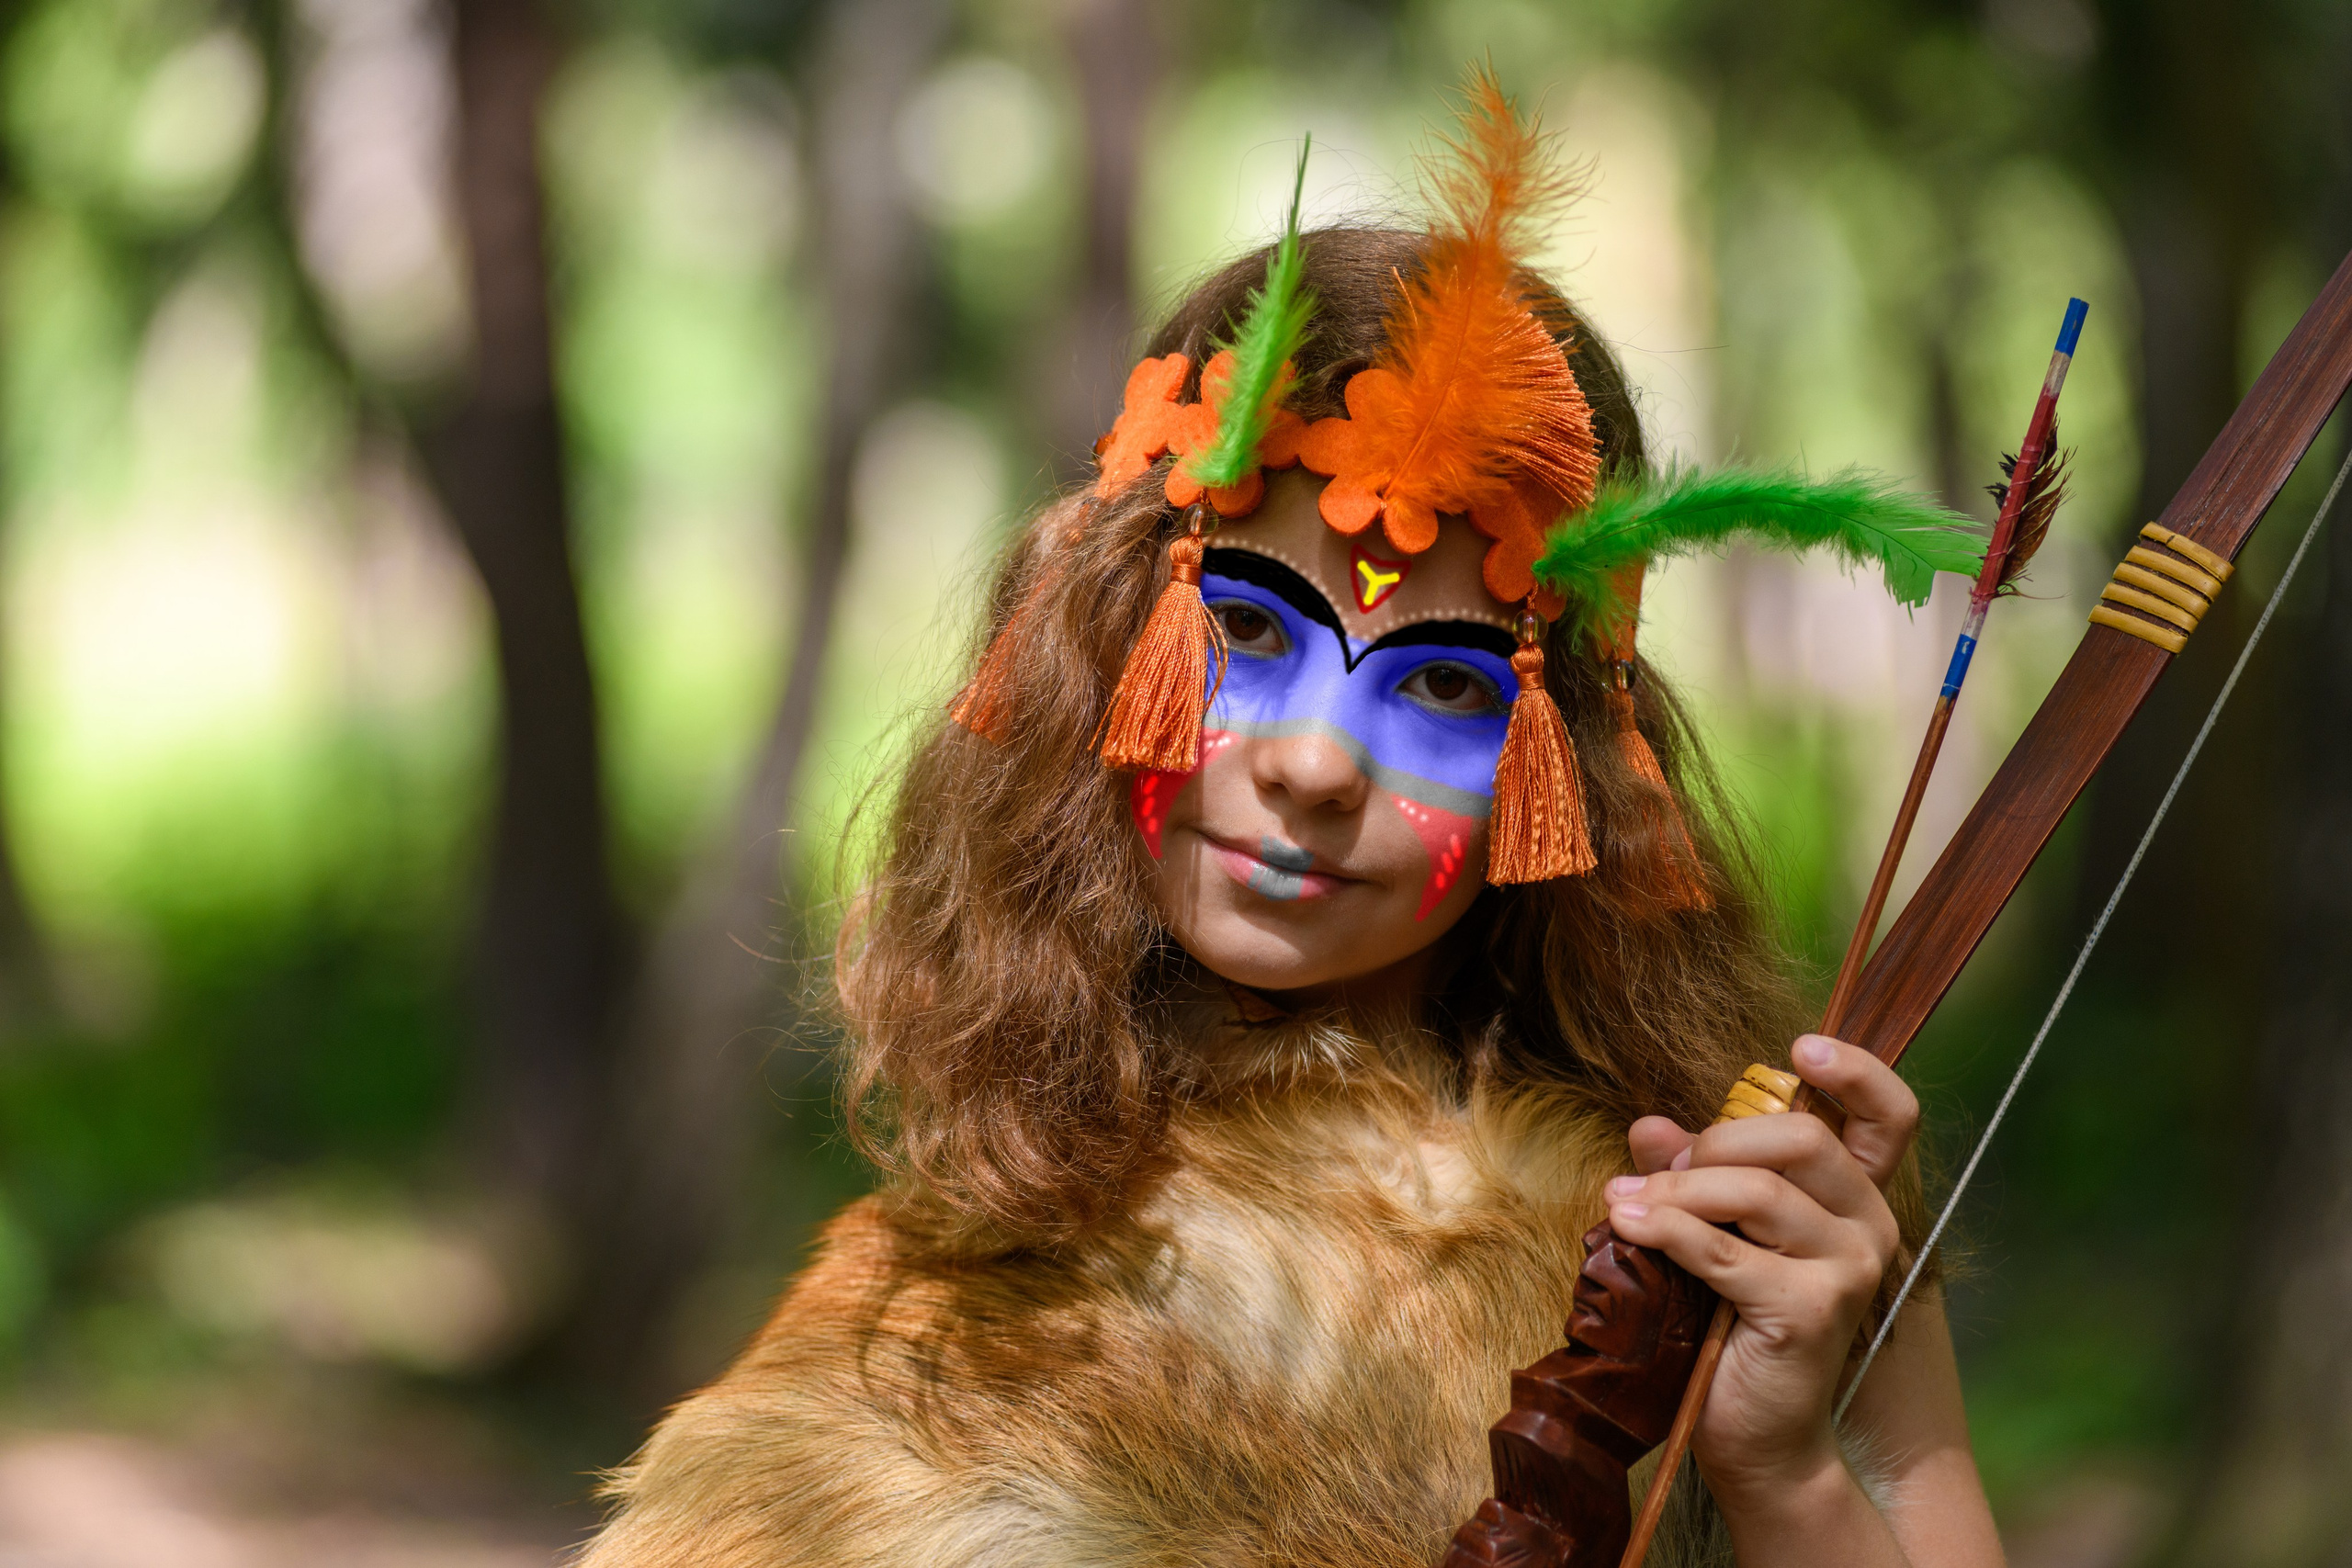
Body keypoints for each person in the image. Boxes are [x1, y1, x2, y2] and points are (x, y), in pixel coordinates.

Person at [583, 74, 2005, 1568]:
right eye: (1252, 635)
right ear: (1096, 650)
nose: (1321, 768)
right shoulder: (912, 1313)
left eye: (1448, 684)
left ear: (1567, 768)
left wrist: (1784, 1477)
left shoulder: (1743, 1213)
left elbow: (1919, 1501)